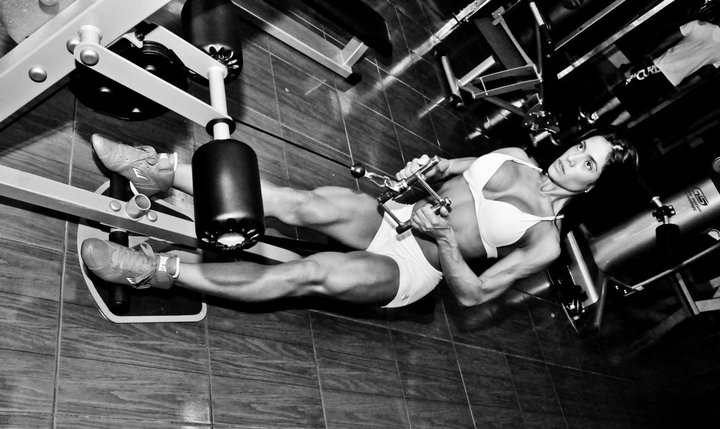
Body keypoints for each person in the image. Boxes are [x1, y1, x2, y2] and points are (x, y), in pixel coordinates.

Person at [80, 130, 638, 308]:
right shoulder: (517, 156)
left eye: (587, 163)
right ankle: (156, 172)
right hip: (393, 215)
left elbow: (473, 295)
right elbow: (453, 167)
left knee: (311, 273)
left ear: (595, 185)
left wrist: (445, 241)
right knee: (301, 204)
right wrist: (427, 167)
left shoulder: (545, 240)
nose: (572, 159)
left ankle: (153, 272)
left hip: (416, 265)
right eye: (580, 146)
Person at [581, 17, 720, 126]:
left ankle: (593, 117)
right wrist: (681, 88)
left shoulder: (702, 26)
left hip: (658, 66)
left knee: (624, 94)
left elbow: (669, 39)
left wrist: (651, 54)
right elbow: (704, 74)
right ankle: (607, 130)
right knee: (634, 107)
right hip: (672, 81)